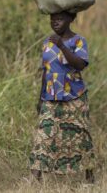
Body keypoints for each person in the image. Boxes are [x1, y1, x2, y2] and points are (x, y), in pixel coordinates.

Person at [30, 11, 95, 183]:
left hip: (75, 97)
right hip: (50, 96)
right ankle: (35, 177)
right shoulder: (47, 43)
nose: (55, 22)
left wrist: (62, 46)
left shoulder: (78, 41)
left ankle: (89, 176)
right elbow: (46, 71)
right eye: (52, 19)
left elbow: (80, 65)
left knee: (80, 136)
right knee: (43, 134)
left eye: (59, 19)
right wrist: (40, 98)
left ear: (71, 19)